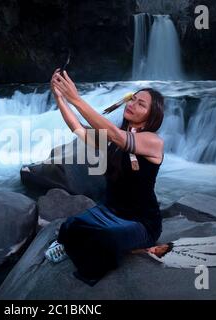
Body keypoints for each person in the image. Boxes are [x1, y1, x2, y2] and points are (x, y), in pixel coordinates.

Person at [45, 69, 165, 286]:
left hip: (142, 222)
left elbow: (116, 134)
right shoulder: (113, 141)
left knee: (105, 240)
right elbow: (78, 129)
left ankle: (134, 246)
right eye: (133, 99)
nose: (132, 104)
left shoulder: (153, 141)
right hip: (109, 210)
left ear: (151, 117)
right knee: (69, 226)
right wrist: (60, 98)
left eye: (141, 104)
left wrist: (76, 99)